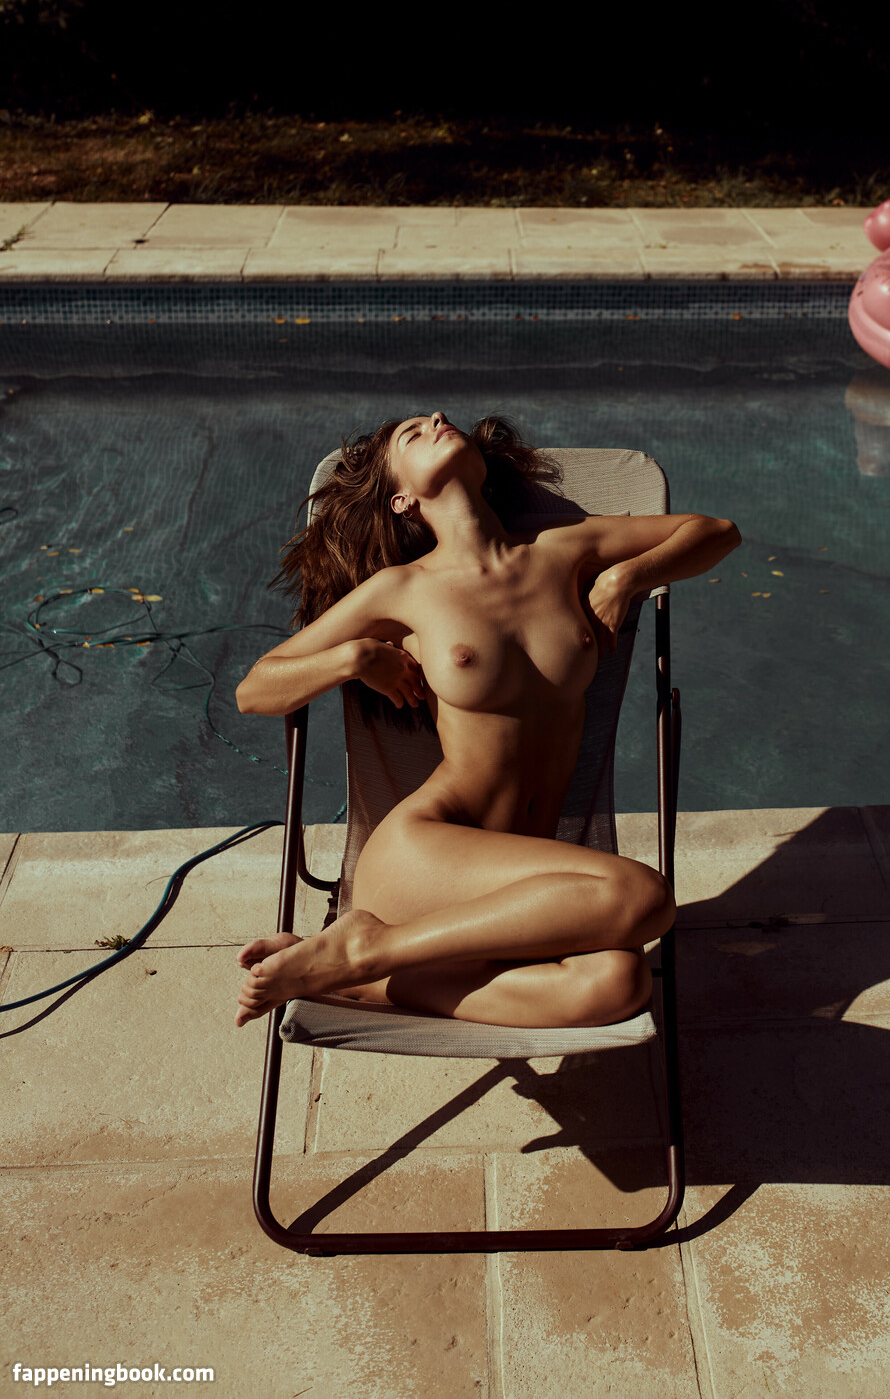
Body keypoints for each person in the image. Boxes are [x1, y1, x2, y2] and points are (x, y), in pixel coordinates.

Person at [233, 410, 740, 1030]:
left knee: (618, 982)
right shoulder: (402, 590)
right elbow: (256, 689)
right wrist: (355, 658)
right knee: (647, 897)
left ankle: (363, 975)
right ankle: (365, 946)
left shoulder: (563, 547)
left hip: (516, 886)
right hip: (426, 859)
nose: (436, 419)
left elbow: (715, 531)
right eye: (413, 433)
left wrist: (628, 577)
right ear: (401, 499)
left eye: (438, 419)